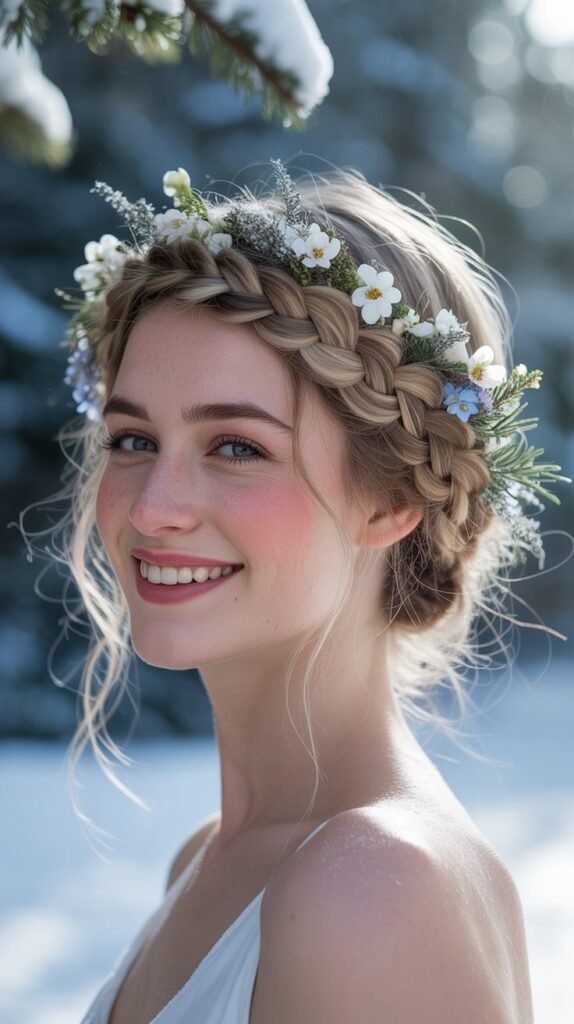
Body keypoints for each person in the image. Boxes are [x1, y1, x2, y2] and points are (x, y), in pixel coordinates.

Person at [41, 160, 566, 1023]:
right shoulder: (211, 861)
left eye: (237, 447)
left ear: (392, 498)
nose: (154, 507)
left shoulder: (370, 892)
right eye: (133, 437)